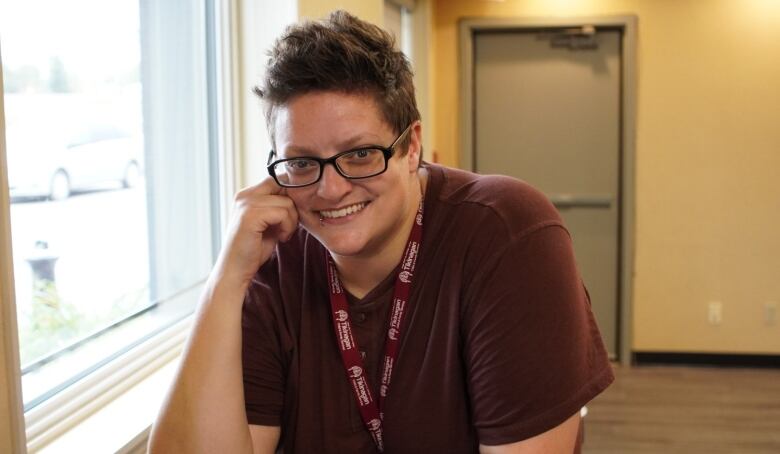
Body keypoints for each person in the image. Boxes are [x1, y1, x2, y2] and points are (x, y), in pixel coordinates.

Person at [148, 10, 614, 454]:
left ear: (411, 146)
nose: (330, 189)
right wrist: (226, 277)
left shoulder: (508, 233)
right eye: (302, 162)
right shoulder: (272, 257)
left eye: (360, 154)